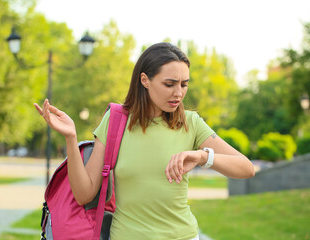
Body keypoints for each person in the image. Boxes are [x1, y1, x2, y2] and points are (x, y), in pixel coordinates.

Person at [34, 42, 255, 240]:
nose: (178, 93)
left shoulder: (191, 123)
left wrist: (201, 156)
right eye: (169, 84)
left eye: (184, 84)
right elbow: (84, 194)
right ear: (145, 80)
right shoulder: (115, 121)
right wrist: (71, 138)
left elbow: (246, 168)